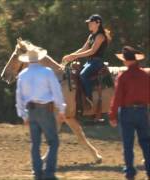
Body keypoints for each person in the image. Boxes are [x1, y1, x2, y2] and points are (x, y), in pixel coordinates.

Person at [16, 46, 66, 180]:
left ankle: (37, 173)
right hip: (45, 109)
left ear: (27, 60)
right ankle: (49, 173)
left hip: (31, 111)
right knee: (53, 141)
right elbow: (56, 91)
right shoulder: (47, 72)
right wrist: (61, 109)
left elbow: (19, 97)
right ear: (39, 58)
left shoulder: (22, 75)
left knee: (35, 143)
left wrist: (23, 115)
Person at [109, 46, 150, 180]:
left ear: (126, 61)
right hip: (142, 111)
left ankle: (130, 172)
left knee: (128, 144)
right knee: (146, 142)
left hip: (127, 112)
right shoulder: (145, 75)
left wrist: (112, 115)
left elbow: (117, 98)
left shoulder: (123, 77)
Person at [62, 14, 111, 107]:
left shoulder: (100, 36)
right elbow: (83, 49)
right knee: (75, 74)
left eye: (91, 23)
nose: (89, 24)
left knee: (83, 74)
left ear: (98, 23)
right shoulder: (91, 36)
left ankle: (89, 98)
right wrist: (71, 55)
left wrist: (74, 56)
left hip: (97, 62)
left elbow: (92, 51)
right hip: (90, 62)